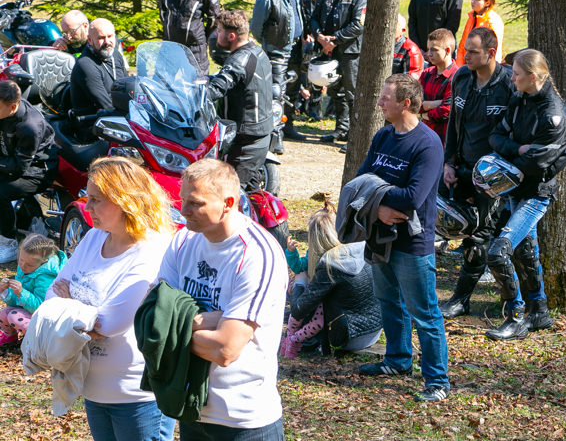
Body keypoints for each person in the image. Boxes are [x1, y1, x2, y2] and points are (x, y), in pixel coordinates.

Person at [46, 157, 175, 441]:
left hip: (136, 395)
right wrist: (85, 317)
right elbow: (50, 294)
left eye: (96, 199)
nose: (87, 207)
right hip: (93, 389)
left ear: (125, 200)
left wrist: (70, 309)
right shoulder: (94, 238)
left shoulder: (152, 250)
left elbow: (111, 323)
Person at [157, 159, 287, 437]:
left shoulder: (257, 254)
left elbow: (225, 350)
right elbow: (152, 314)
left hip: (244, 421)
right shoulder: (182, 242)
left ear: (228, 203)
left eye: (196, 203)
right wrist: (216, 319)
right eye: (182, 200)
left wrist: (174, 326)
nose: (184, 210)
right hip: (191, 408)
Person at [353, 74, 449, 402]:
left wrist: (376, 196)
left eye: (385, 99)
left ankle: (437, 381)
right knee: (388, 302)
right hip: (380, 235)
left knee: (424, 311)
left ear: (405, 104)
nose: (379, 103)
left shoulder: (427, 143)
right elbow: (360, 180)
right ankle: (397, 360)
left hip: (413, 242)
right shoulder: (383, 136)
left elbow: (412, 198)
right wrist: (378, 209)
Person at [484, 49, 566, 339]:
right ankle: (539, 312)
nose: (511, 78)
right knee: (525, 251)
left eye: (516, 74)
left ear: (533, 76)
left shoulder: (554, 114)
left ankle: (515, 315)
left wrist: (513, 154)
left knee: (498, 252)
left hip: (536, 194)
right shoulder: (519, 99)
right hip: (515, 189)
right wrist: (516, 149)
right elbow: (496, 136)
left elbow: (538, 163)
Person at [438, 27, 515, 321]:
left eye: (472, 51)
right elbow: (454, 125)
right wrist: (449, 162)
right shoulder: (461, 78)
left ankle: (462, 300)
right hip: (462, 168)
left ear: (491, 53)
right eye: (464, 50)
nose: (465, 56)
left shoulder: (508, 83)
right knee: (461, 228)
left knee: (481, 235)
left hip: (495, 175)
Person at [285, 202, 382, 357]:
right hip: (374, 329)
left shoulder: (331, 265)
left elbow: (298, 309)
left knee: (305, 294)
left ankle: (294, 340)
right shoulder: (359, 248)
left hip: (350, 337)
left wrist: (299, 282)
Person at [207, 10, 274, 191]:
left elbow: (215, 91)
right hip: (261, 132)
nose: (216, 35)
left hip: (246, 140)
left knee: (231, 192)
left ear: (231, 36)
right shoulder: (257, 51)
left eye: (219, 30)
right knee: (252, 194)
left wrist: (195, 97)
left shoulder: (237, 61)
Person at [311, 0, 368, 144]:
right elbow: (314, 18)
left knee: (352, 92)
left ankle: (356, 135)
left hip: (350, 50)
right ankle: (341, 130)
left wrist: (335, 39)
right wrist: (320, 36)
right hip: (328, 49)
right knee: (336, 91)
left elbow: (359, 24)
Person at [249, 0, 306, 143]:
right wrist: (269, 44)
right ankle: (275, 136)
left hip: (296, 48)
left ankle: (288, 127)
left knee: (292, 89)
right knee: (277, 93)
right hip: (277, 52)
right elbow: (257, 27)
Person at [0, 80, 58, 255]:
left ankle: (8, 242)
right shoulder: (5, 112)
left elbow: (19, 167)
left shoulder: (29, 127)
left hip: (37, 171)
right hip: (10, 158)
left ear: (12, 107)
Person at [0, 233, 66, 344]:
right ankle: (10, 337)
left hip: (46, 318)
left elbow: (41, 307)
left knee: (14, 316)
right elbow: (15, 303)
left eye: (29, 264)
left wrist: (21, 293)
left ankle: (39, 343)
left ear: (43, 262)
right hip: (29, 309)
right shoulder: (25, 266)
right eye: (20, 260)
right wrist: (5, 291)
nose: (22, 265)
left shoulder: (46, 276)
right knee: (3, 313)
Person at [69, 18, 128, 129]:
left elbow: (128, 88)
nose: (107, 42)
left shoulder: (115, 55)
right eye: (101, 38)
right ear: (90, 40)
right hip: (92, 125)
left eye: (110, 36)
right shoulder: (85, 64)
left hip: (115, 117)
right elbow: (106, 105)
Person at [295, 0, 326, 121]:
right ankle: (298, 102)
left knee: (316, 70)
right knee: (301, 68)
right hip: (300, 32)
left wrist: (316, 33)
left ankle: (314, 105)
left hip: (318, 31)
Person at [418, 28, 458, 145]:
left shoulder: (457, 77)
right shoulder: (426, 73)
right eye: (428, 49)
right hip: (423, 135)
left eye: (434, 50)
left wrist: (425, 114)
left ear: (447, 51)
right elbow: (414, 103)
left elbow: (446, 111)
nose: (429, 54)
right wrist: (433, 104)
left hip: (444, 139)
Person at [455, 0, 504, 67]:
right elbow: (463, 45)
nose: (472, 1)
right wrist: (459, 68)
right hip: (468, 65)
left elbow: (496, 51)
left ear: (487, 3)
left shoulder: (493, 21)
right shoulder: (472, 17)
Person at [392, 14, 423, 79]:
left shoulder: (411, 49)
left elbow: (410, 81)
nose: (390, 27)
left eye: (395, 24)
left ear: (403, 30)